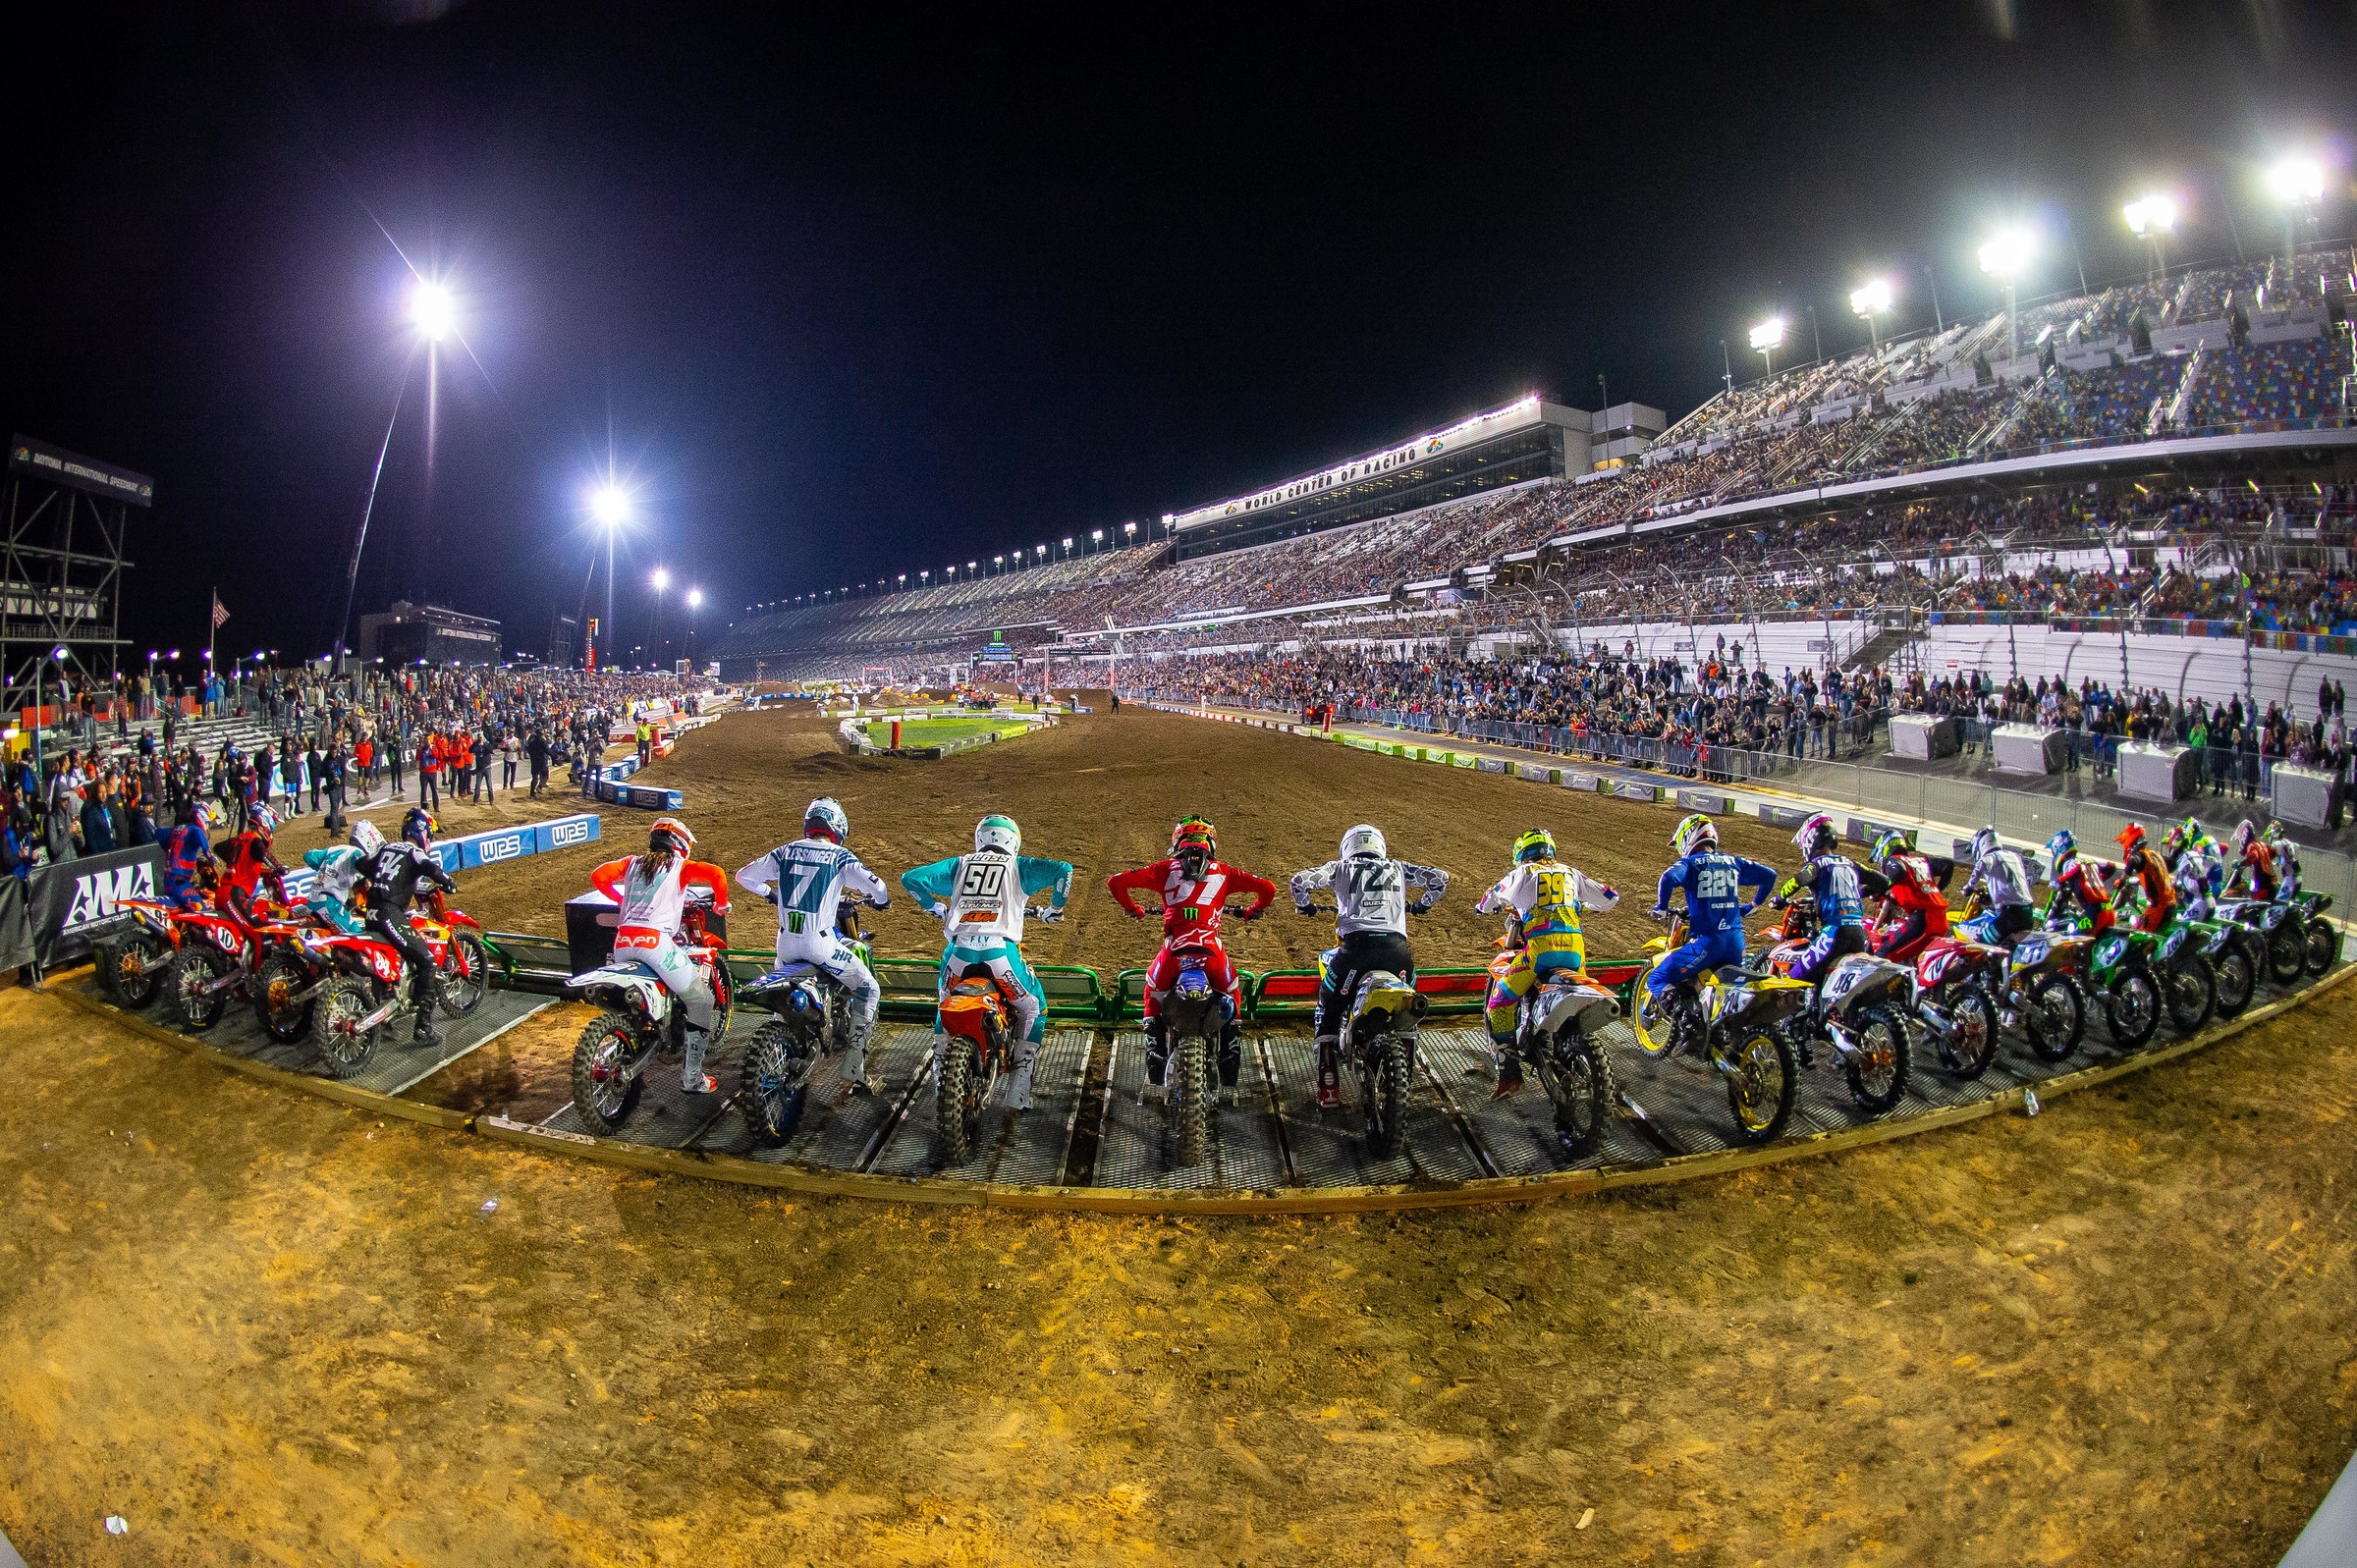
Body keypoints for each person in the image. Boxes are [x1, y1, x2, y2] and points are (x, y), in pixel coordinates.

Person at [900, 814, 1071, 1112]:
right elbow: (1063, 871)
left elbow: (910, 878)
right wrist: (1055, 909)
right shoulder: (1019, 866)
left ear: (980, 839)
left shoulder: (959, 864)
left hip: (957, 954)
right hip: (1000, 954)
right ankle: (1019, 1088)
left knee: (944, 1006)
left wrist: (934, 906)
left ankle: (942, 1080)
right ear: (1013, 841)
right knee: (1034, 1008)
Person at [1105, 815, 1276, 1104]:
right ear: (1212, 842)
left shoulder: (1163, 870)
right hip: (1211, 952)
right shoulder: (1226, 872)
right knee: (1232, 994)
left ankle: (1156, 1055)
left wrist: (1133, 909)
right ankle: (1230, 1056)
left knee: (1152, 994)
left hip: (1174, 952)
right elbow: (1268, 889)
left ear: (1177, 842)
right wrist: (1251, 911)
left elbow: (1116, 882)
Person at [734, 796, 891, 1094]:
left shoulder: (783, 851)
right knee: (869, 988)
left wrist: (770, 893)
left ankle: (782, 1046)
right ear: (838, 827)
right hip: (820, 944)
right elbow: (878, 886)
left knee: (782, 1000)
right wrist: (882, 901)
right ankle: (854, 1065)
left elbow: (743, 876)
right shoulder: (839, 856)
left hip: (785, 946)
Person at [1290, 824, 1450, 1109]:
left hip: (1355, 952)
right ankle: (1407, 1078)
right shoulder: (1399, 868)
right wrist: (1422, 905)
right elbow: (1440, 877)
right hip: (1397, 954)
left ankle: (1329, 1085)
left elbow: (1299, 882)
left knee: (1328, 1007)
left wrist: (1306, 906)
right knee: (1409, 1012)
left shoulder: (1340, 868)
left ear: (1347, 847)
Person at [1474, 828, 1617, 1098]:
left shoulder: (1523, 873)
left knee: (1498, 1005)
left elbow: (1493, 896)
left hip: (1540, 950)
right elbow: (1611, 897)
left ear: (1523, 854)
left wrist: (1483, 907)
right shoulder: (1571, 873)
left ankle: (1510, 1077)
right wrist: (1582, 906)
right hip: (1575, 953)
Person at [1644, 813, 1778, 1030]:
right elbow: (1769, 875)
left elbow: (1668, 878)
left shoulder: (1691, 864)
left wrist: (1661, 908)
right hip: (1736, 944)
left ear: (1688, 838)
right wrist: (1753, 906)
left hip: (1707, 943)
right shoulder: (1733, 862)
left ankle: (1686, 1023)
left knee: (1657, 977)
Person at [361, 807, 462, 1050]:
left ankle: (384, 1006)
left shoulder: (385, 847)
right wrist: (448, 882)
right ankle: (423, 1028)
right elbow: (431, 868)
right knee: (428, 961)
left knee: (388, 961)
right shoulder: (415, 853)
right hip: (389, 913)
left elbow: (363, 865)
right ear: (423, 831)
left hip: (371, 914)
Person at [1778, 812, 1878, 984]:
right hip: (1859, 934)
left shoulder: (1816, 864)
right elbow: (1884, 882)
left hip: (1834, 933)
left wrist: (1780, 897)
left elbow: (1801, 879)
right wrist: (1857, 894)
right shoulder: (1850, 863)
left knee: (1794, 980)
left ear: (1811, 839)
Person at [1867, 830, 1952, 963]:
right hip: (1940, 917)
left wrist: (1870, 889)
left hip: (1921, 919)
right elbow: (1948, 865)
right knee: (1916, 958)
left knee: (1883, 953)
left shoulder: (1893, 861)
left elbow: (1896, 873)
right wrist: (1936, 891)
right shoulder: (1918, 860)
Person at [1956, 827, 2038, 946]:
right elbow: (2010, 881)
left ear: (1981, 844)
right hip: (2027, 912)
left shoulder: (1990, 858)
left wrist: (1968, 887)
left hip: (2011, 913)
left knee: (1982, 946)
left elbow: (1980, 865)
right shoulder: (2014, 856)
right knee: (2007, 946)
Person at [214, 803, 289, 929]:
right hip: (235, 894)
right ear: (266, 823)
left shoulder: (239, 838)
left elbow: (218, 848)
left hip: (222, 893)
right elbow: (264, 854)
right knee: (259, 928)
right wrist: (280, 868)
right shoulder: (255, 840)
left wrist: (236, 864)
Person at [301, 820, 380, 936]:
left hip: (312, 901)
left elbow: (309, 856)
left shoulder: (336, 848)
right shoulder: (358, 853)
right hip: (330, 904)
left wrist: (327, 869)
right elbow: (362, 864)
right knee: (359, 937)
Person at [2041, 829, 2114, 933]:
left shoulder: (2069, 864)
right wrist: (2097, 881)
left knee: (2073, 942)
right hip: (2109, 911)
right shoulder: (2088, 861)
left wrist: (2060, 880)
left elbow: (2074, 868)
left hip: (2094, 913)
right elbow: (2111, 866)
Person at [2110, 822, 2175, 934]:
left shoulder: (2141, 856)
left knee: (2140, 935)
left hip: (2159, 907)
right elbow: (2173, 864)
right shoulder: (2155, 855)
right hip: (2171, 903)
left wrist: (2122, 879)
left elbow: (2133, 860)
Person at [159, 804, 214, 913]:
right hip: (181, 883)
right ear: (202, 817)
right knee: (204, 913)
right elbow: (199, 835)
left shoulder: (175, 829)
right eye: (208, 822)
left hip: (168, 881)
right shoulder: (195, 830)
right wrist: (210, 856)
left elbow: (158, 833)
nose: (208, 826)